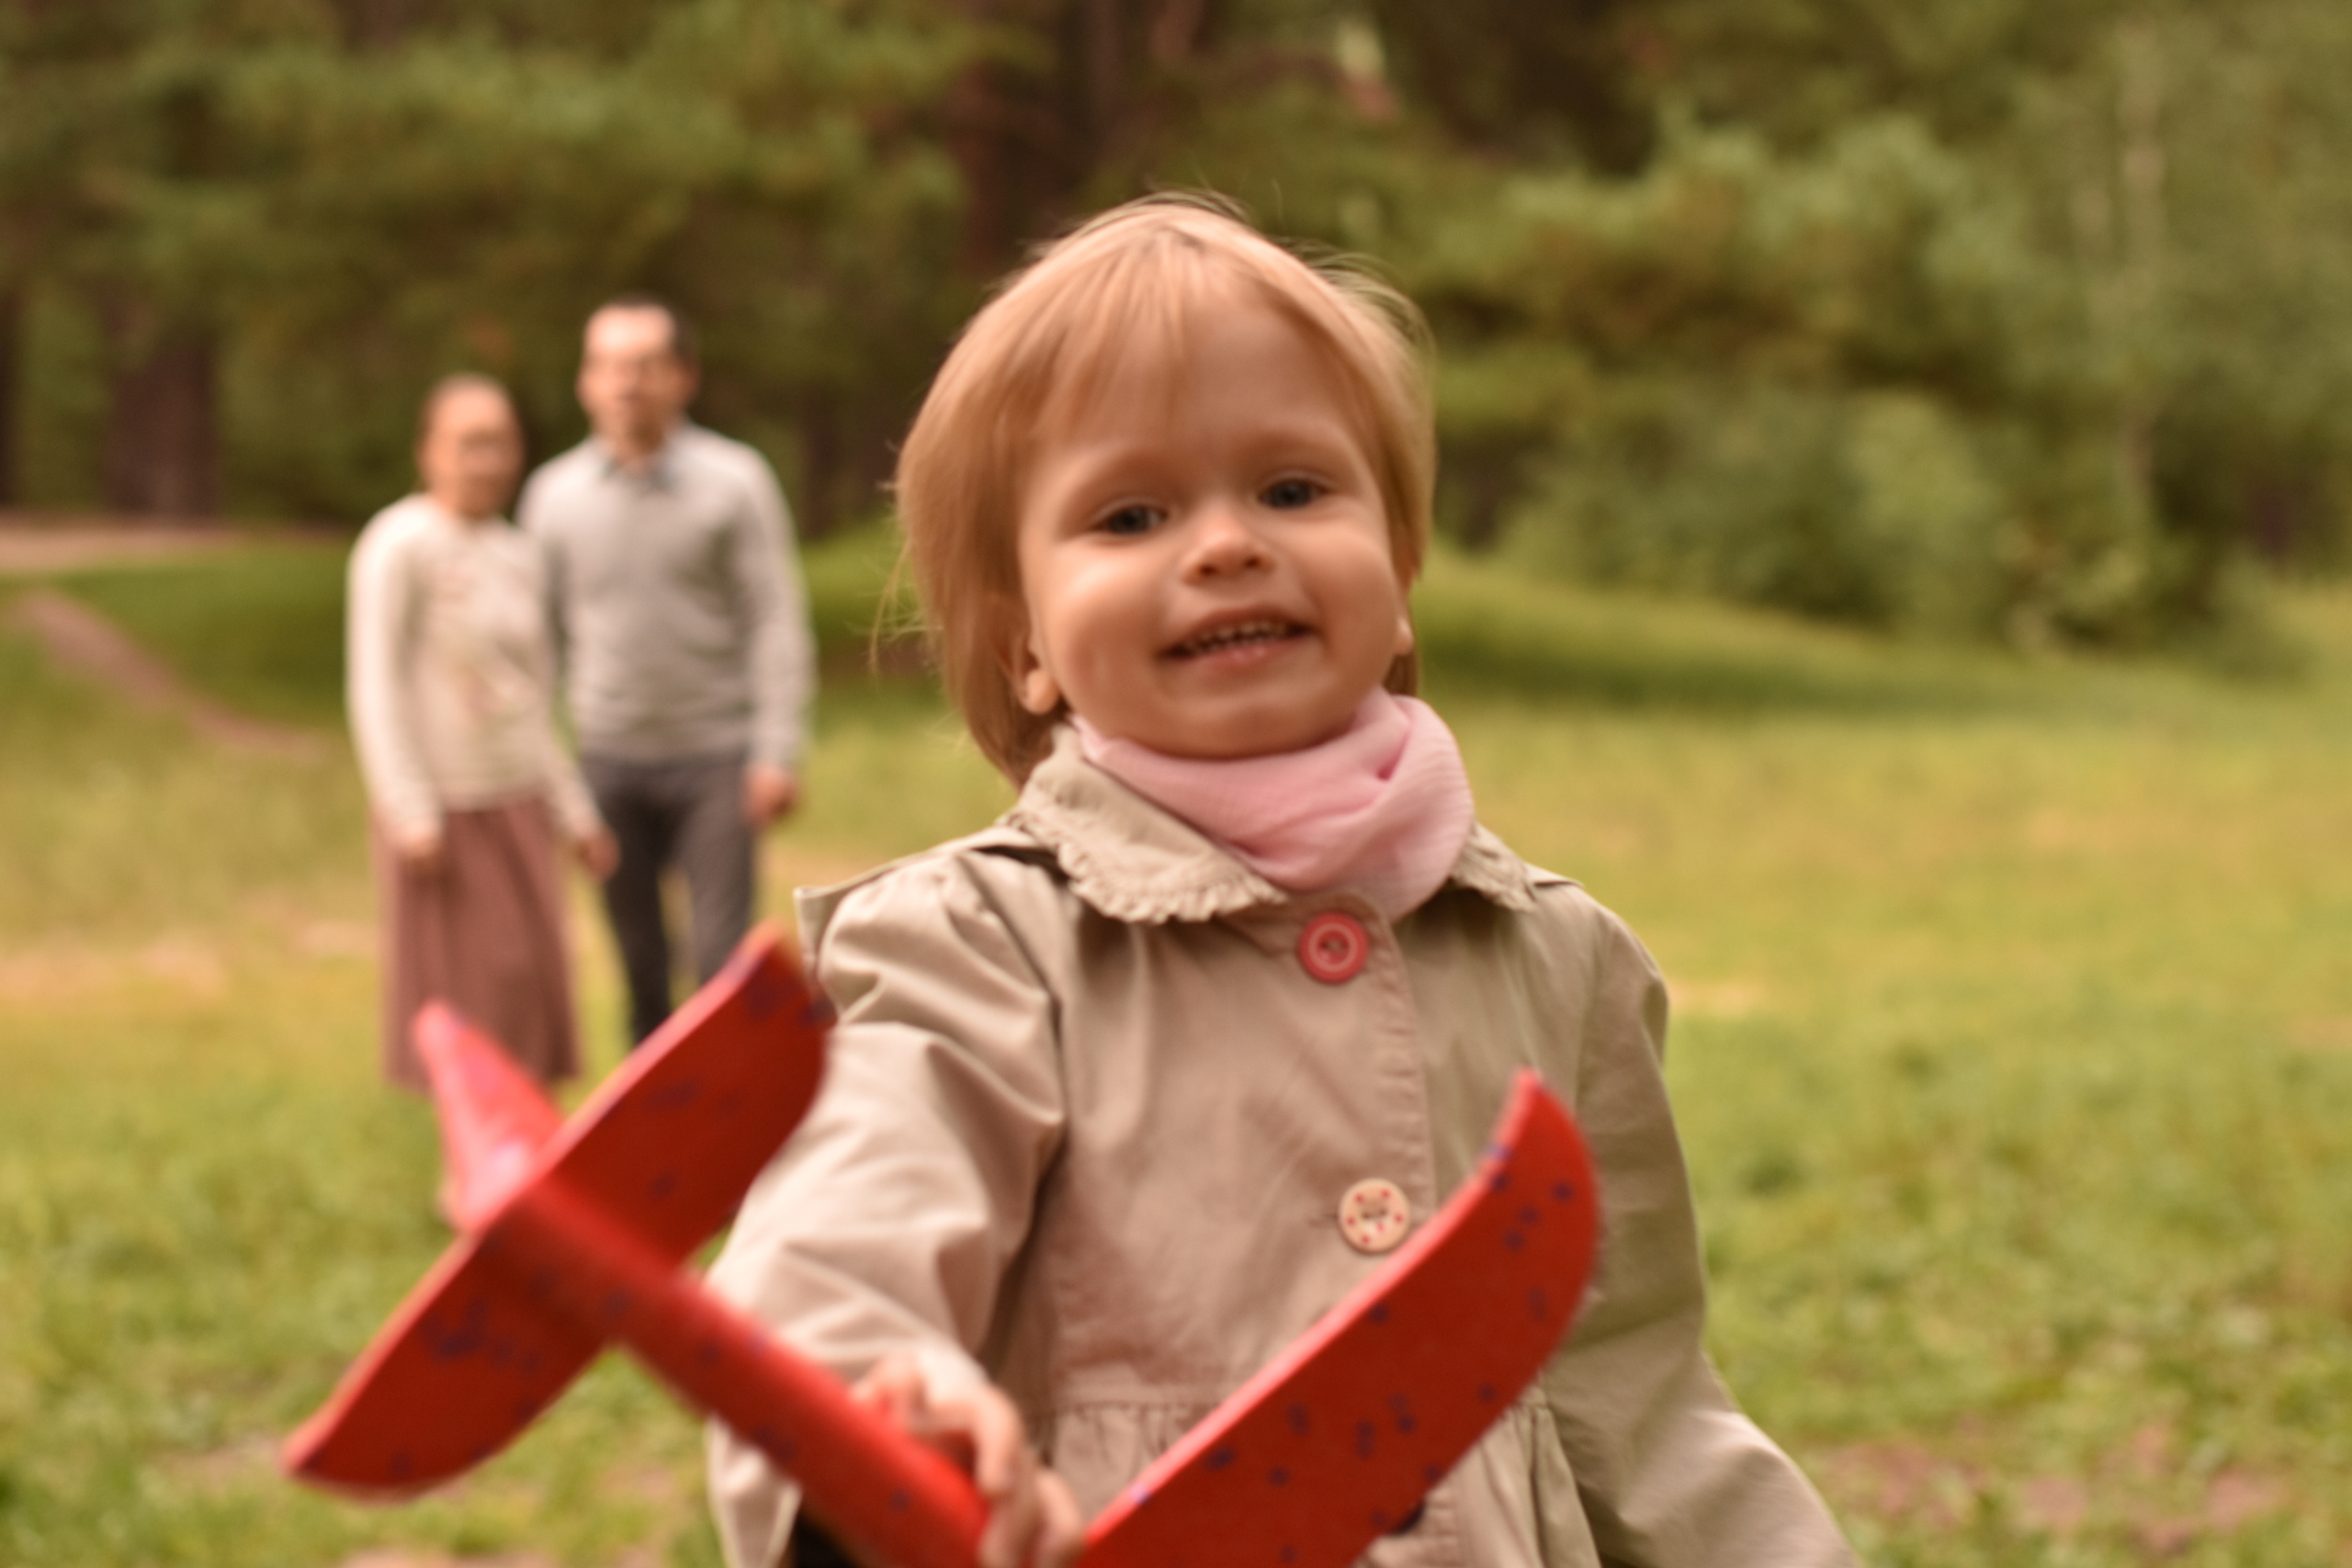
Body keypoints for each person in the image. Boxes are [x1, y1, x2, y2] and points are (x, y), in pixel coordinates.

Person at [704, 199, 1854, 1568]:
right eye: (1131, 514)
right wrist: (883, 1418)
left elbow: (1643, 1405)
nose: (1225, 544)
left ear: (1402, 573)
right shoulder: (976, 946)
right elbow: (839, 1240)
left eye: (1293, 490)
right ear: (1027, 646)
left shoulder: (1557, 957)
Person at [518, 296, 816, 1044]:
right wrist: (547, 773)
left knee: (719, 967)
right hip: (606, 762)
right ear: (585, 382)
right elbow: (533, 643)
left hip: (716, 762)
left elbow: (773, 618)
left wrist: (776, 751)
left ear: (684, 376)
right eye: (608, 366)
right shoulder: (553, 498)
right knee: (641, 970)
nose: (626, 383)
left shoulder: (735, 482)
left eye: (645, 365)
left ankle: (731, 1115)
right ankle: (652, 1116)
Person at [347, 374, 616, 1091]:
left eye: (501, 443)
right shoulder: (398, 543)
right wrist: (408, 807)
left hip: (518, 800)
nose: (487, 461)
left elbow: (532, 700)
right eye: (469, 444)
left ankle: (533, 1144)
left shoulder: (519, 554)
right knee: (473, 998)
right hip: (445, 809)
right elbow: (376, 685)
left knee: (531, 989)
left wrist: (575, 813)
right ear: (427, 451)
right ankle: (475, 1148)